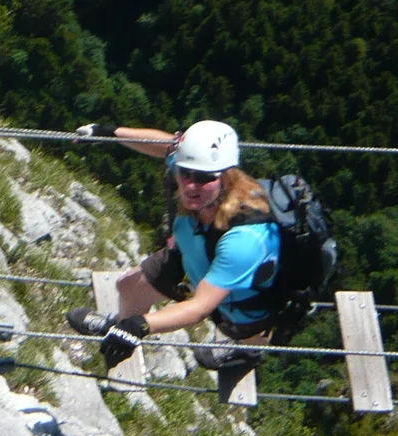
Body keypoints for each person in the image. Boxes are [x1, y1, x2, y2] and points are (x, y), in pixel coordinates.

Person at [66, 119, 281, 385]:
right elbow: (167, 146)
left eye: (203, 178)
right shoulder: (197, 172)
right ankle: (118, 328)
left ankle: (250, 351)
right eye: (185, 173)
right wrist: (108, 132)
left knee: (244, 326)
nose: (190, 185)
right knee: (129, 287)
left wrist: (142, 325)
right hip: (196, 252)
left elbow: (199, 308)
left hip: (243, 294)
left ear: (226, 178)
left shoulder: (246, 239)